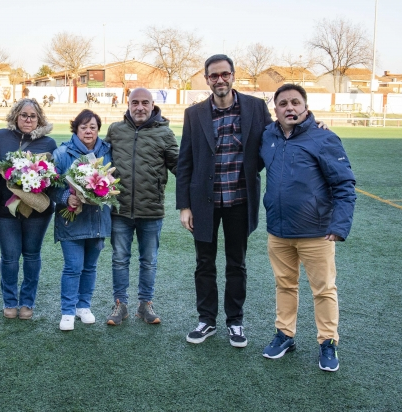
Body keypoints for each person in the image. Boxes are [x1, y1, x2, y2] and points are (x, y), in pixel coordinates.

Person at [176, 54, 272, 348]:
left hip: (240, 200)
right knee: (204, 263)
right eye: (213, 75)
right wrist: (185, 206)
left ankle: (235, 322)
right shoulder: (195, 114)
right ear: (206, 79)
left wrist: (312, 126)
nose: (220, 79)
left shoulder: (256, 107)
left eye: (224, 74)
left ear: (233, 76)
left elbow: (275, 138)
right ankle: (207, 320)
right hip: (204, 202)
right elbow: (185, 162)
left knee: (236, 263)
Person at [260, 84, 355, 372]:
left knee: (324, 290)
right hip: (278, 231)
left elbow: (344, 185)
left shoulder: (324, 138)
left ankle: (328, 342)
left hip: (316, 232)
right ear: (274, 109)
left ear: (305, 106)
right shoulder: (268, 136)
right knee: (285, 285)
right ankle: (285, 335)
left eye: (295, 102)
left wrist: (339, 225)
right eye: (284, 103)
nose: (290, 108)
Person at [104, 87, 178, 325]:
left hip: (152, 210)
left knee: (149, 261)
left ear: (152, 104)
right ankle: (120, 305)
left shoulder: (165, 133)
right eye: (135, 102)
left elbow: (180, 167)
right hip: (120, 209)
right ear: (128, 104)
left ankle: (145, 304)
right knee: (119, 259)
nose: (140, 107)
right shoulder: (115, 130)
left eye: (145, 102)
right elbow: (99, 161)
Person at [0, 98, 57, 320]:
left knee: (31, 256)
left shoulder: (48, 143)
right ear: (15, 116)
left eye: (32, 116)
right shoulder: (1, 136)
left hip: (37, 210)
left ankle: (27, 302)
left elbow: (53, 177)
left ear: (39, 118)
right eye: (23, 115)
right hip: (6, 209)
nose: (28, 119)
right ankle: (10, 301)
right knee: (9, 257)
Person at [50, 109, 112, 331]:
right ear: (75, 129)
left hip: (97, 220)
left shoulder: (107, 151)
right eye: (84, 127)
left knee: (90, 267)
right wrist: (69, 197)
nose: (88, 131)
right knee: (73, 266)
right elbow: (51, 185)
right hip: (72, 220)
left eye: (93, 127)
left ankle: (83, 306)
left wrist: (105, 190)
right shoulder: (62, 153)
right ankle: (67, 310)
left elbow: (113, 182)